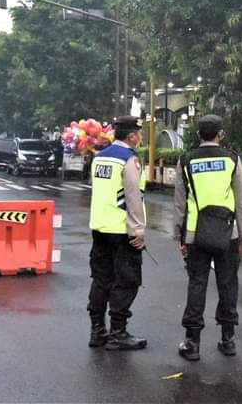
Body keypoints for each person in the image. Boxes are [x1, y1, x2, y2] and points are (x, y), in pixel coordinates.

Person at [174, 115, 242, 361]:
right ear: (220, 134)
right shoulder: (231, 159)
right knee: (228, 283)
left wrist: (179, 235)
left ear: (199, 134)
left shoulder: (186, 160)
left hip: (195, 233)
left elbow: (179, 202)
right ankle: (228, 339)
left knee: (197, 283)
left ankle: (192, 341)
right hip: (227, 232)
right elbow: (241, 200)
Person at [87, 115, 148, 351]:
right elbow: (133, 197)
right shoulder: (129, 160)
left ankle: (97, 330)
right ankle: (118, 332)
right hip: (122, 230)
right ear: (132, 136)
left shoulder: (99, 157)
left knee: (101, 279)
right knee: (127, 281)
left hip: (100, 227)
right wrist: (138, 231)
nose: (140, 138)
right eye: (139, 134)